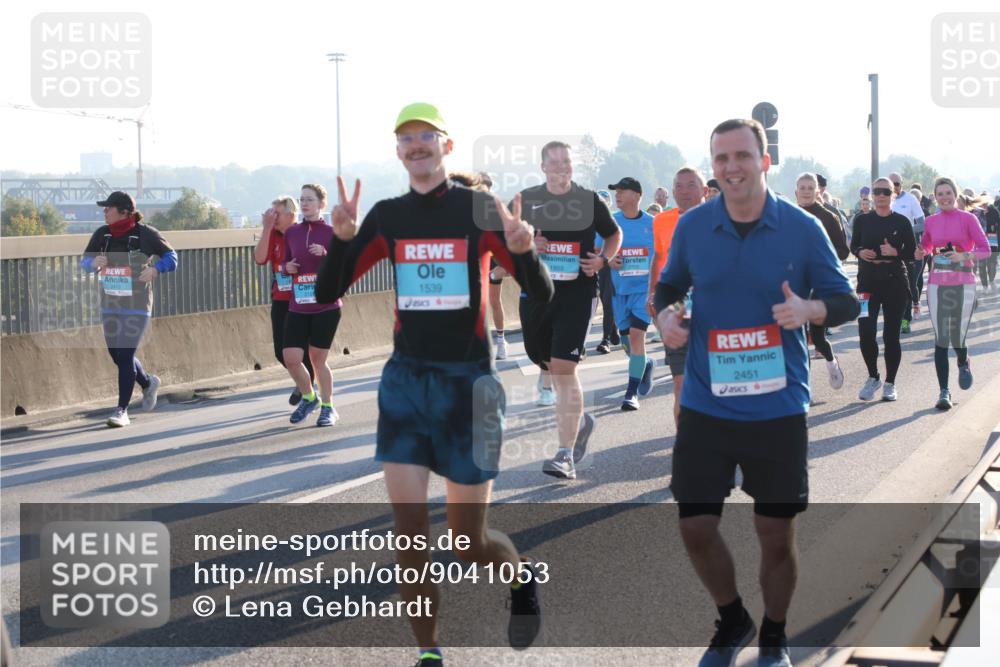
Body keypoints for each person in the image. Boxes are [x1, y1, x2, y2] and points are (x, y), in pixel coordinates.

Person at [315, 102, 552, 667]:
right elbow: (329, 288)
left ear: (447, 146)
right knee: (411, 538)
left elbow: (539, 294)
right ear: (399, 152)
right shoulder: (389, 215)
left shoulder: (479, 210)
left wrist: (523, 251)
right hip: (406, 384)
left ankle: (518, 579)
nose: (416, 145)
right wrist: (343, 238)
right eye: (406, 138)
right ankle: (429, 654)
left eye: (427, 136)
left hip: (470, 386)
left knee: (468, 543)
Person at [655, 118, 858, 667]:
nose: (731, 168)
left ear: (765, 161)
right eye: (720, 159)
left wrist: (810, 310)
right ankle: (731, 618)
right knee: (695, 526)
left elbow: (846, 302)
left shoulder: (801, 228)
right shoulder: (695, 226)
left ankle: (774, 633)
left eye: (742, 156)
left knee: (774, 532)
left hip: (777, 407)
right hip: (706, 402)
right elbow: (670, 285)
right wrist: (667, 316)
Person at [518, 140, 622, 479]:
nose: (563, 167)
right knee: (542, 359)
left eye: (567, 161)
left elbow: (614, 233)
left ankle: (565, 455)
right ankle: (580, 421)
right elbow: (501, 238)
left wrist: (602, 260)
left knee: (564, 367)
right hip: (537, 293)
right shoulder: (527, 200)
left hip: (577, 292)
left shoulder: (587, 200)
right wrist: (528, 245)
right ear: (543, 166)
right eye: (556, 161)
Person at [80, 191, 177, 427]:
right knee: (117, 355)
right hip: (111, 303)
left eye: (108, 208)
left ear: (124, 211)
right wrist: (93, 263)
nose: (104, 211)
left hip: (137, 304)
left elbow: (172, 257)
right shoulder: (102, 234)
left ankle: (122, 410)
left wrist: (155, 270)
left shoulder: (146, 234)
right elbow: (84, 262)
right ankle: (147, 382)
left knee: (125, 355)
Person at [916, 177, 991, 410]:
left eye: (948, 193)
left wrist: (964, 256)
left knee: (957, 335)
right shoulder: (930, 221)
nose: (945, 197)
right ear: (935, 197)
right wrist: (921, 252)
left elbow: (985, 249)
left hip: (964, 283)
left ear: (955, 195)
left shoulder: (968, 219)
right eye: (940, 194)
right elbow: (928, 245)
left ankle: (963, 361)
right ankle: (944, 392)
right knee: (941, 338)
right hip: (938, 283)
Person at [647, 167, 706, 427]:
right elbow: (659, 258)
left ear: (705, 191)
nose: (684, 192)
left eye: (691, 185)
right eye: (678, 186)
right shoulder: (661, 221)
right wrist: (652, 293)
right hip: (677, 313)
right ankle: (688, 446)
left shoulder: (724, 219)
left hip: (716, 316)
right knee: (681, 384)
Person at [280, 184, 343, 427]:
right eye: (302, 199)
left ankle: (328, 408)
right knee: (291, 358)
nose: (305, 203)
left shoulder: (332, 232)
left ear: (321, 204)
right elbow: (286, 263)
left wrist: (326, 254)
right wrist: (288, 268)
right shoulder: (292, 232)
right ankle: (309, 397)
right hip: (298, 305)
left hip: (326, 306)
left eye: (310, 199)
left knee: (318, 359)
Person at [851, 177, 917, 402]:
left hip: (894, 282)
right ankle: (873, 377)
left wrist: (894, 252)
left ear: (893, 195)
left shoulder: (901, 222)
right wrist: (860, 252)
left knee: (891, 335)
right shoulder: (861, 220)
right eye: (877, 191)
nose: (880, 196)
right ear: (871, 195)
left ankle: (890, 383)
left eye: (886, 192)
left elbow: (911, 252)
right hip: (867, 282)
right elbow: (853, 245)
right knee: (865, 332)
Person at [253, 195, 316, 405]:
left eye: (277, 214)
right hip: (281, 299)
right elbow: (260, 259)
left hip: (303, 299)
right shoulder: (272, 235)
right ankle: (303, 383)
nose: (274, 217)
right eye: (271, 213)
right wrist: (266, 229)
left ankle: (308, 391)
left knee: (301, 349)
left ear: (291, 214)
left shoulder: (303, 233)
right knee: (281, 351)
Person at [794, 173, 850, 390]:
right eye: (802, 187)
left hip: (819, 282)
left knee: (817, 337)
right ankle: (803, 388)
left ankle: (831, 362)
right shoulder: (789, 215)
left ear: (818, 191)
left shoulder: (828, 217)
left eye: (810, 187)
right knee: (797, 338)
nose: (806, 191)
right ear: (796, 191)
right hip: (795, 283)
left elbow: (843, 251)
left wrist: (819, 257)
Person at [607, 177, 656, 410]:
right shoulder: (610, 223)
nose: (617, 195)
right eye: (616, 191)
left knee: (637, 337)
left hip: (643, 292)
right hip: (620, 292)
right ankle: (645, 365)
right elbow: (600, 251)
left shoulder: (653, 224)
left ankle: (631, 394)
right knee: (628, 343)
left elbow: (664, 255)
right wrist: (609, 260)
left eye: (622, 191)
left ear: (637, 195)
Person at [450, 171, 510, 360]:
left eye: (488, 186)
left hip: (494, 260)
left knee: (494, 301)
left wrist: (497, 272)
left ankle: (500, 341)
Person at [888, 172, 926, 333]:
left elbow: (922, 224)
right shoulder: (884, 200)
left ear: (901, 184)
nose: (894, 186)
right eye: (892, 184)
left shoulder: (910, 199)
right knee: (889, 286)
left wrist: (905, 230)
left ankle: (905, 320)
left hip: (907, 249)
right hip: (887, 250)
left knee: (908, 285)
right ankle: (894, 319)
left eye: (897, 183)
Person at [595, 190, 621, 354]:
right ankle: (613, 329)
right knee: (605, 302)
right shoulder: (588, 221)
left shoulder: (614, 220)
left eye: (605, 202)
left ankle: (605, 339)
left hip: (610, 264)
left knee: (609, 301)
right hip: (596, 265)